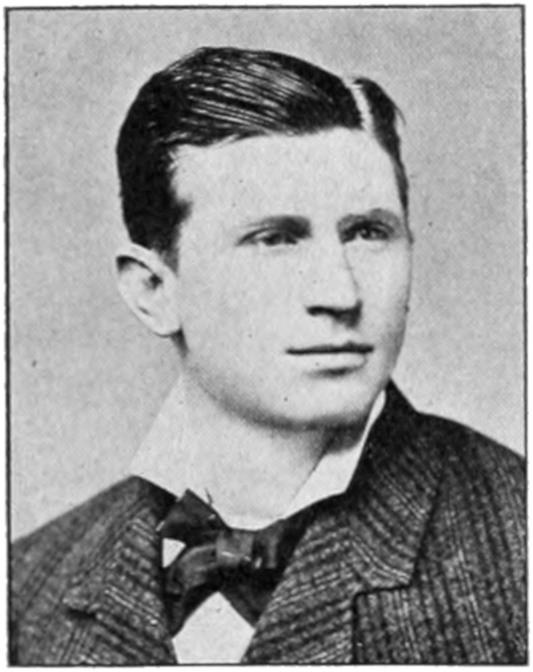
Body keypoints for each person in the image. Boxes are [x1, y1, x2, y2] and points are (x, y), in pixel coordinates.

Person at [10, 47, 525, 664]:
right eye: (276, 239)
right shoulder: (24, 595)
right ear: (153, 291)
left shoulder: (518, 544)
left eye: (368, 232)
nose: (341, 293)